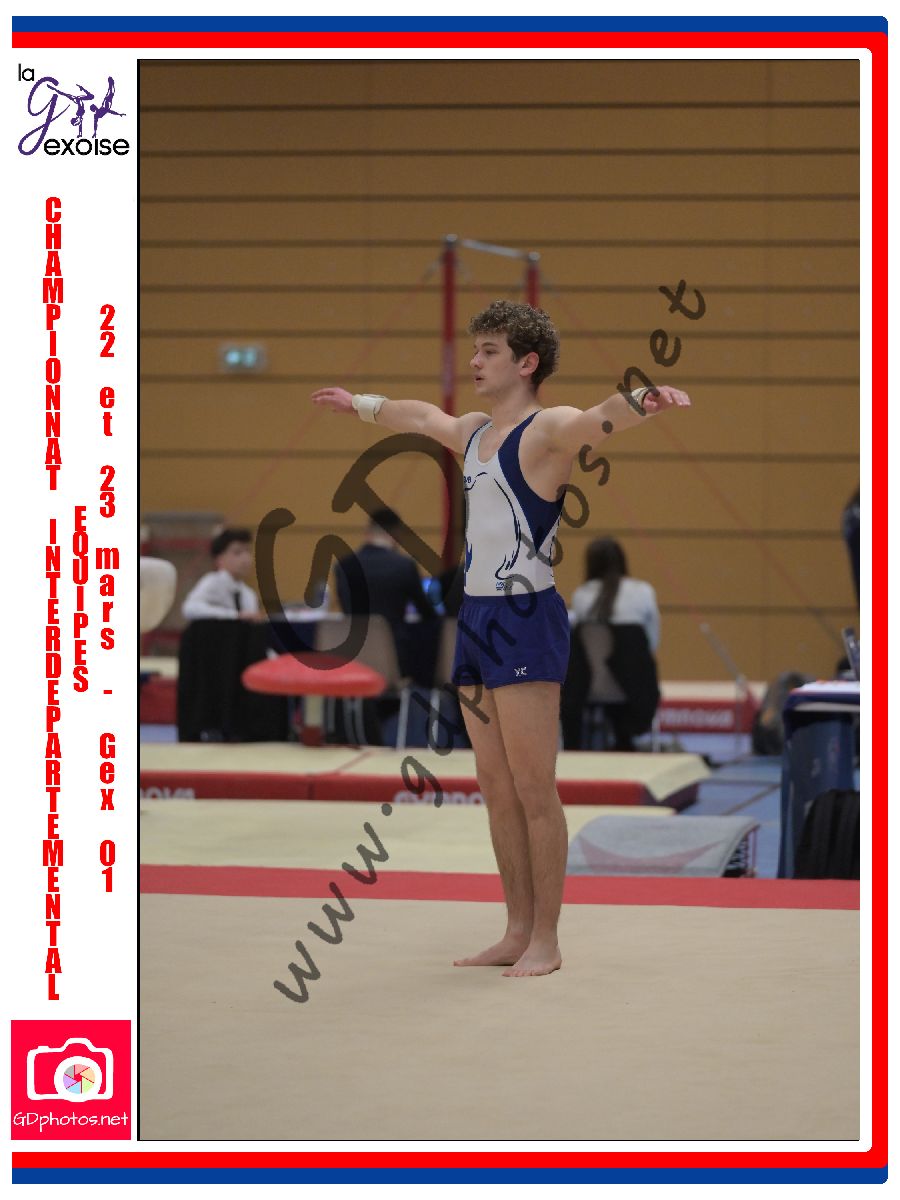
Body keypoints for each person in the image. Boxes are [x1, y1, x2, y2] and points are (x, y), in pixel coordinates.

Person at [312, 299, 690, 977]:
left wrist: (644, 399)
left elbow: (595, 419)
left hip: (525, 617)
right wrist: (362, 404)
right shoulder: (473, 431)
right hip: (476, 618)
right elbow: (419, 417)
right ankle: (516, 928)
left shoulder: (545, 430)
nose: (475, 361)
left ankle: (547, 937)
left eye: (489, 351)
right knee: (494, 784)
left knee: (533, 786)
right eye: (476, 349)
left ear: (526, 362)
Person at [563, 538, 661, 751]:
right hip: (634, 687)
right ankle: (624, 739)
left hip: (590, 687)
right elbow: (651, 644)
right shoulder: (644, 592)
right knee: (627, 668)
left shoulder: (581, 596)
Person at [570, 538, 660, 652]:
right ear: (622, 561)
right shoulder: (643, 590)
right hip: (636, 660)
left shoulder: (581, 594)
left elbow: (581, 644)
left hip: (594, 661)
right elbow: (652, 639)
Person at [182, 528, 261, 622]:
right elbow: (190, 609)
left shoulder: (248, 594)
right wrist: (234, 615)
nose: (245, 558)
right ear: (220, 559)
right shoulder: (212, 582)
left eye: (248, 551)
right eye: (237, 553)